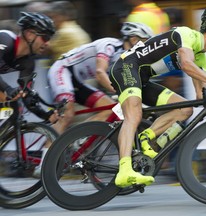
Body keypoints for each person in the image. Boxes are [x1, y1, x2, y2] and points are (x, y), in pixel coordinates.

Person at [109, 6, 206, 188]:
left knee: (185, 108)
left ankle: (146, 137)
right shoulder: (186, 35)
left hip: (142, 78)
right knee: (134, 114)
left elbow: (200, 95)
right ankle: (124, 170)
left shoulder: (199, 57)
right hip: (126, 67)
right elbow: (186, 64)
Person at [31, 22, 154, 178]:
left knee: (111, 108)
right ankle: (42, 164)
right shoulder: (109, 45)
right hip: (62, 70)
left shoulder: (128, 58)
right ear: (133, 38)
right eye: (144, 41)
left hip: (78, 80)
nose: (145, 46)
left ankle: (79, 138)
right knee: (67, 115)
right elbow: (99, 73)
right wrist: (121, 91)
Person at [0, 11, 58, 123]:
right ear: (29, 34)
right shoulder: (5, 39)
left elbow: (26, 94)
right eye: (45, 38)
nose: (48, 44)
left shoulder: (27, 63)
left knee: (12, 107)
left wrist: (45, 115)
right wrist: (8, 89)